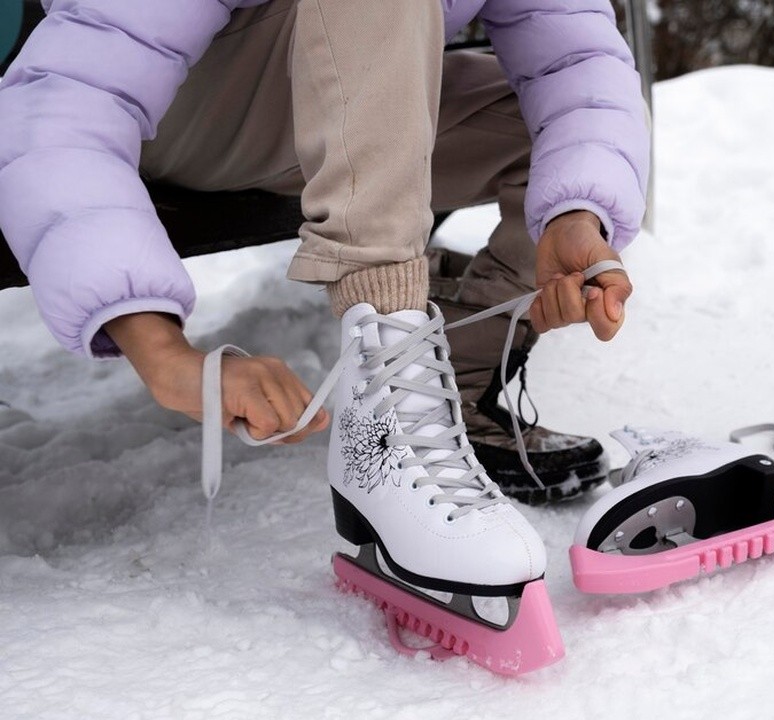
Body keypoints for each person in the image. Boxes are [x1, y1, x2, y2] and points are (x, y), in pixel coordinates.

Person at [0, 0, 649, 650]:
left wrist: (576, 215)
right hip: (185, 110)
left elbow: (578, 66)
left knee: (562, 134)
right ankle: (384, 424)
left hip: (342, 84)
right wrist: (163, 352)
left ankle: (443, 373)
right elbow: (59, 115)